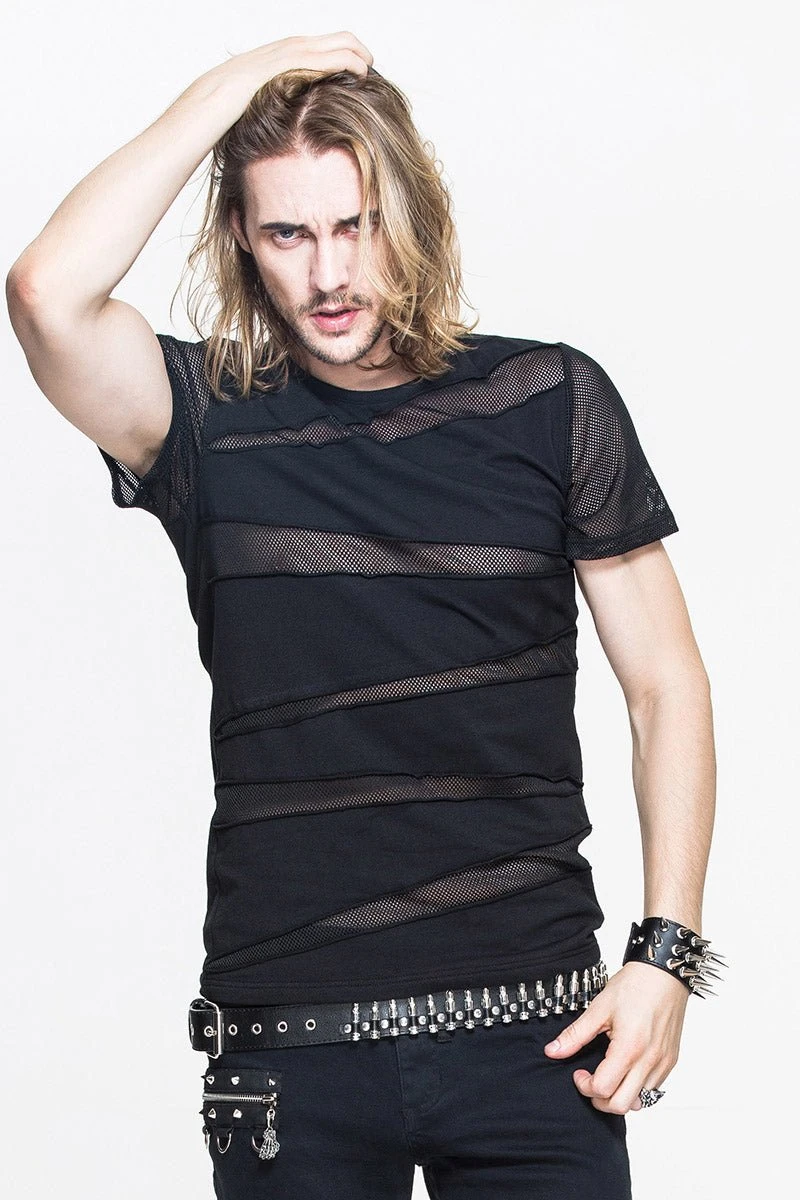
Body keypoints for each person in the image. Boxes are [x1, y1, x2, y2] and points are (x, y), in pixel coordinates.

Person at [6, 30, 725, 1200]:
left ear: (410, 218)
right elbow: (46, 292)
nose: (328, 273)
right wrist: (237, 84)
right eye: (288, 232)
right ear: (242, 237)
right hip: (291, 1057)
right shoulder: (203, 421)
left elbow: (664, 686)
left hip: (532, 1037)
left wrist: (665, 957)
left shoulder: (546, 400)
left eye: (357, 224)